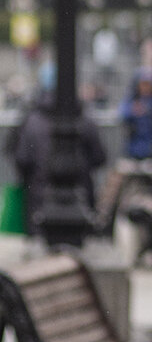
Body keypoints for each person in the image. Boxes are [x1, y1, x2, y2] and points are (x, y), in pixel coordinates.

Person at [9, 93, 107, 237]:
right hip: (81, 198)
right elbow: (99, 157)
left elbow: (22, 158)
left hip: (38, 197)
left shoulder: (33, 121)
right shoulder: (85, 120)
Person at [119, 67, 152, 160]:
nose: (146, 87)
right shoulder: (131, 100)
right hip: (134, 148)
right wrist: (133, 111)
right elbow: (122, 113)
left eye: (149, 84)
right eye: (143, 84)